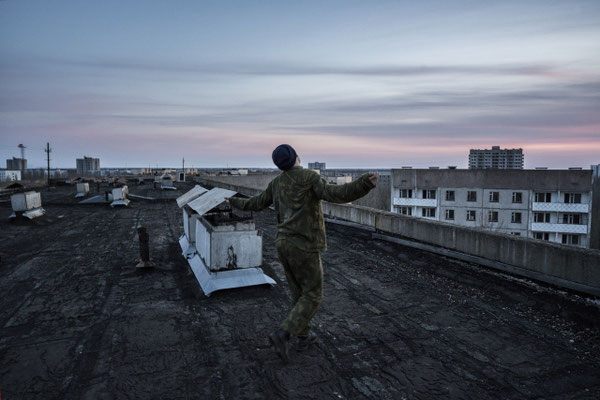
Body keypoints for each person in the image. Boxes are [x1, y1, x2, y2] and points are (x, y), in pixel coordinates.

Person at [227, 144, 378, 362]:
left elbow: (255, 203)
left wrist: (232, 200)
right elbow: (335, 193)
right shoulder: (309, 177)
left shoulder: (277, 183)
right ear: (297, 157)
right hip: (304, 245)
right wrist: (364, 183)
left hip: (283, 244)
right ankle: (284, 332)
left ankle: (303, 335)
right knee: (313, 295)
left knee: (298, 293)